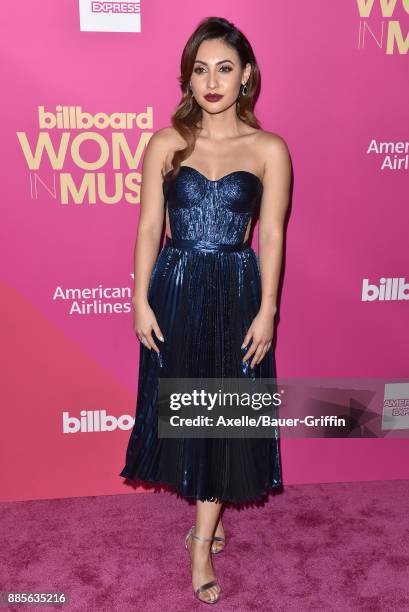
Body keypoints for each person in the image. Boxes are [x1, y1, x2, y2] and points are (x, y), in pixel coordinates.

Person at [120, 16, 291, 604]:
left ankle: (200, 541)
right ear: (187, 79)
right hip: (177, 283)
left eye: (225, 68)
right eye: (201, 69)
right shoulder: (167, 143)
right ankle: (205, 522)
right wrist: (140, 299)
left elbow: (271, 236)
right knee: (190, 410)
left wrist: (268, 309)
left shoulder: (269, 149)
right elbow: (147, 229)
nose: (212, 81)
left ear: (246, 76)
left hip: (237, 289)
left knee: (223, 412)